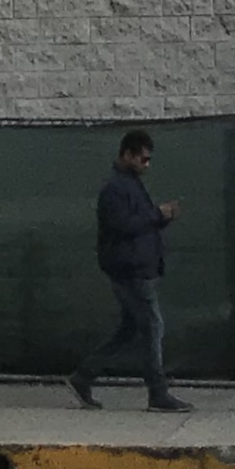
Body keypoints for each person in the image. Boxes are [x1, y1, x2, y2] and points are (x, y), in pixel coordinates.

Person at [71, 127, 186, 412]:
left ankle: (84, 375)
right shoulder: (115, 189)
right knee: (153, 326)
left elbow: (137, 224)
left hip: (136, 267)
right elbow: (122, 226)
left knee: (130, 329)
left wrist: (161, 218)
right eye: (143, 159)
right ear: (127, 155)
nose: (147, 165)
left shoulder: (129, 185)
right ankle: (158, 392)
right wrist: (157, 215)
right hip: (130, 269)